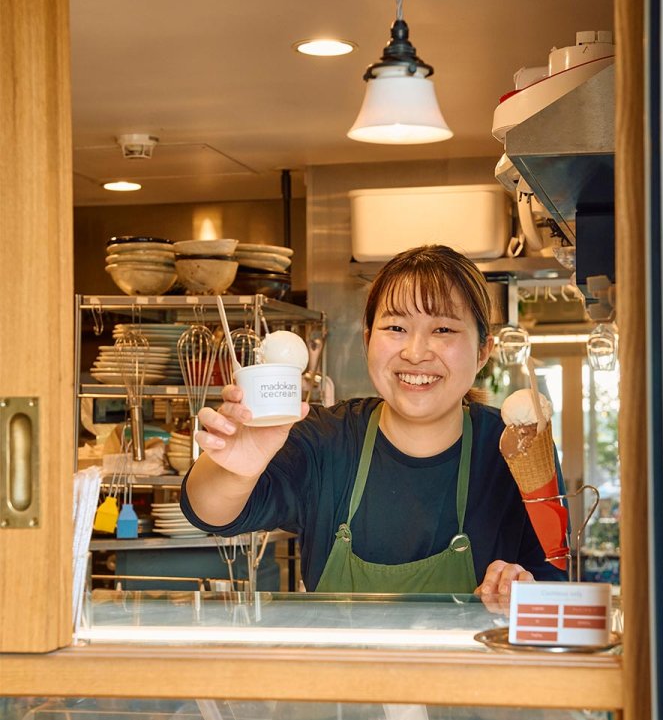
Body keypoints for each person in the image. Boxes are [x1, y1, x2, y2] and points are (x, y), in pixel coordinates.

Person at [181, 245, 565, 605]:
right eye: (396, 328)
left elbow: (554, 580)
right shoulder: (324, 438)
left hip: (469, 675)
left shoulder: (515, 448)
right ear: (367, 340)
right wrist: (234, 468)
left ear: (484, 350)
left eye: (443, 330)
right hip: (340, 674)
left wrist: (521, 587)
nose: (415, 353)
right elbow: (211, 513)